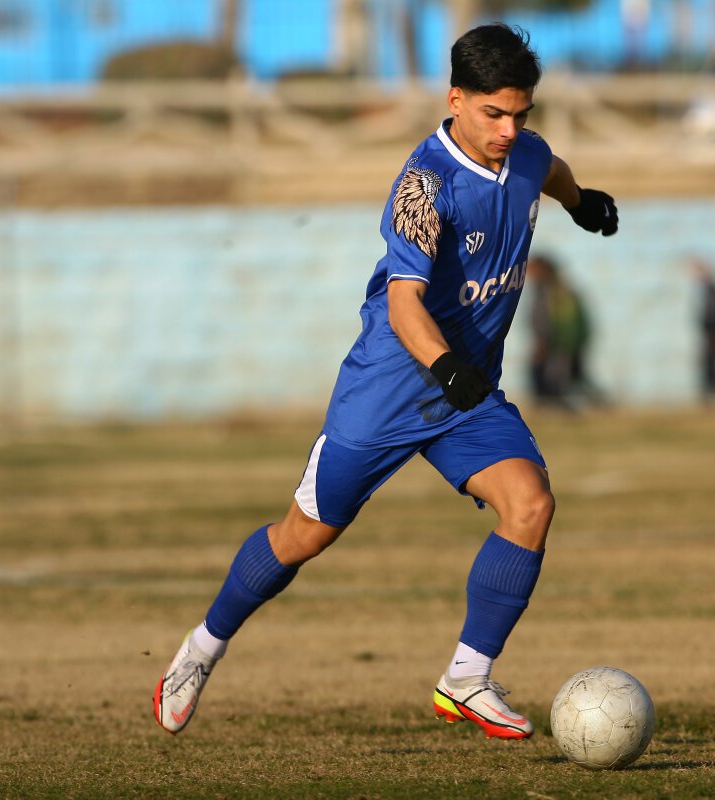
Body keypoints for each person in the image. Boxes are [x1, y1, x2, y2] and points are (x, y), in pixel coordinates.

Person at [153, 23, 618, 741]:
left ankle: (465, 679)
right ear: (455, 100)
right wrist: (446, 368)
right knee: (303, 537)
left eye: (520, 114)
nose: (508, 129)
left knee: (530, 504)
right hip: (390, 390)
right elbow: (404, 305)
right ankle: (201, 650)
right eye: (493, 113)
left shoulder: (525, 153)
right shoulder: (423, 188)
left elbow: (547, 166)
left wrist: (581, 200)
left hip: (465, 395)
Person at [527, 253, 597, 407]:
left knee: (556, 380)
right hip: (556, 344)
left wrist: (552, 344)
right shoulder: (543, 290)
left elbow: (565, 323)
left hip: (560, 345)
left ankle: (558, 406)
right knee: (568, 379)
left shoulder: (556, 292)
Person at [688, 257, 715, 404]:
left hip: (713, 334)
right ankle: (712, 395)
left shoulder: (713, 291)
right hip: (711, 334)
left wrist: (712, 333)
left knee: (711, 367)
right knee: (710, 366)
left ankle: (713, 395)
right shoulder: (709, 290)